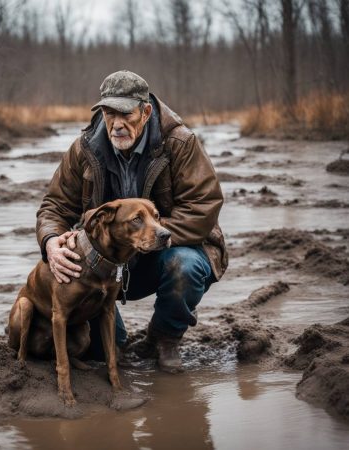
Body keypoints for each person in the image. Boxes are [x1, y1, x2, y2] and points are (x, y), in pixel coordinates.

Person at [36, 70, 228, 373]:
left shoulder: (179, 142)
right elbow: (54, 207)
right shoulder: (84, 148)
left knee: (186, 267)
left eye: (126, 113)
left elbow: (204, 207)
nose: (116, 123)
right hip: (106, 260)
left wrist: (148, 235)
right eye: (109, 113)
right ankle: (116, 342)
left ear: (146, 111)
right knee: (103, 351)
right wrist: (51, 243)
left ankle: (163, 340)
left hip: (165, 251)